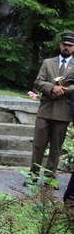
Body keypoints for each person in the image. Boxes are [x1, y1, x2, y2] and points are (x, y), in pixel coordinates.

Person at [27, 31, 74, 189]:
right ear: (60, 45)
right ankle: (32, 175)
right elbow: (38, 82)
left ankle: (49, 178)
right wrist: (51, 88)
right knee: (38, 145)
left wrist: (64, 90)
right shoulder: (48, 62)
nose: (66, 48)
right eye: (64, 45)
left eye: (70, 45)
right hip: (46, 109)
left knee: (56, 147)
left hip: (63, 111)